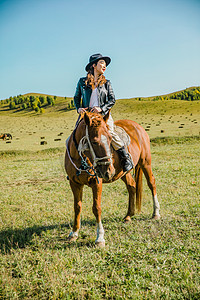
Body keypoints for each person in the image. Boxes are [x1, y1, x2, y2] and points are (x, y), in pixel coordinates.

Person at [73, 53, 133, 173]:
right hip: (87, 117)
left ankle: (125, 158)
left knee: (110, 133)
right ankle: (76, 167)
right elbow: (76, 97)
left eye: (105, 64)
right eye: (101, 63)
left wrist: (102, 108)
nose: (104, 66)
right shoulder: (82, 82)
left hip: (102, 115)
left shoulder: (107, 83)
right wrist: (79, 108)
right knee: (74, 138)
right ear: (94, 65)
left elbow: (112, 100)